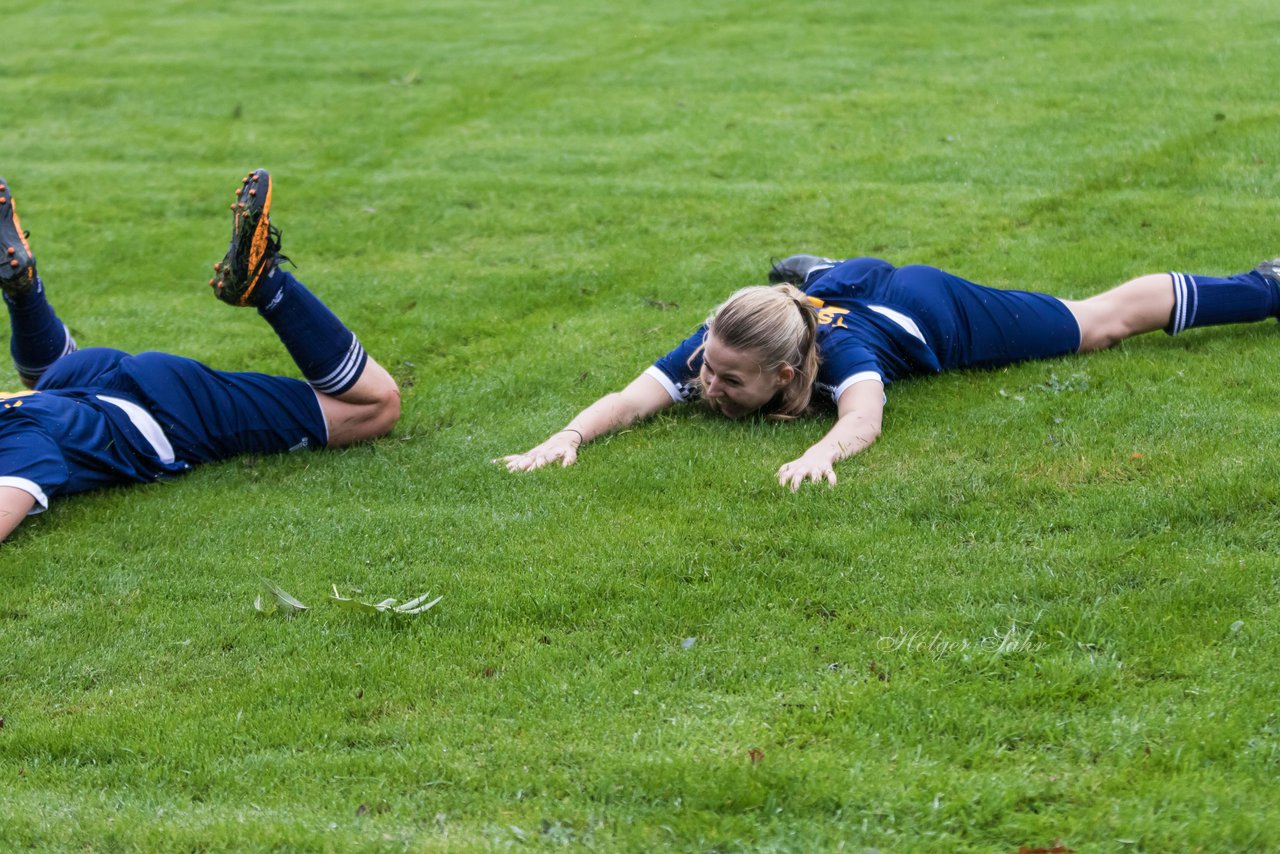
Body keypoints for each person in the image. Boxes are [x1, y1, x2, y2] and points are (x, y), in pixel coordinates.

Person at [502, 251, 1280, 490]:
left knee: (1101, 323)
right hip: (832, 294)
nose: (707, 387)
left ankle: (1266, 286)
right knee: (822, 287)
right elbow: (631, 400)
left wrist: (818, 452)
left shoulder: (845, 357)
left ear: (784, 374)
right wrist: (567, 436)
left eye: (729, 383)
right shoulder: (720, 343)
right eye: (708, 370)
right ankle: (823, 270)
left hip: (927, 305)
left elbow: (863, 417)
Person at [0, 169, 400, 541]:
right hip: (74, 385)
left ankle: (267, 284)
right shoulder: (22, 433)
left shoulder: (22, 446)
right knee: (47, 380)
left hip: (168, 408)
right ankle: (24, 293)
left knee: (376, 407)